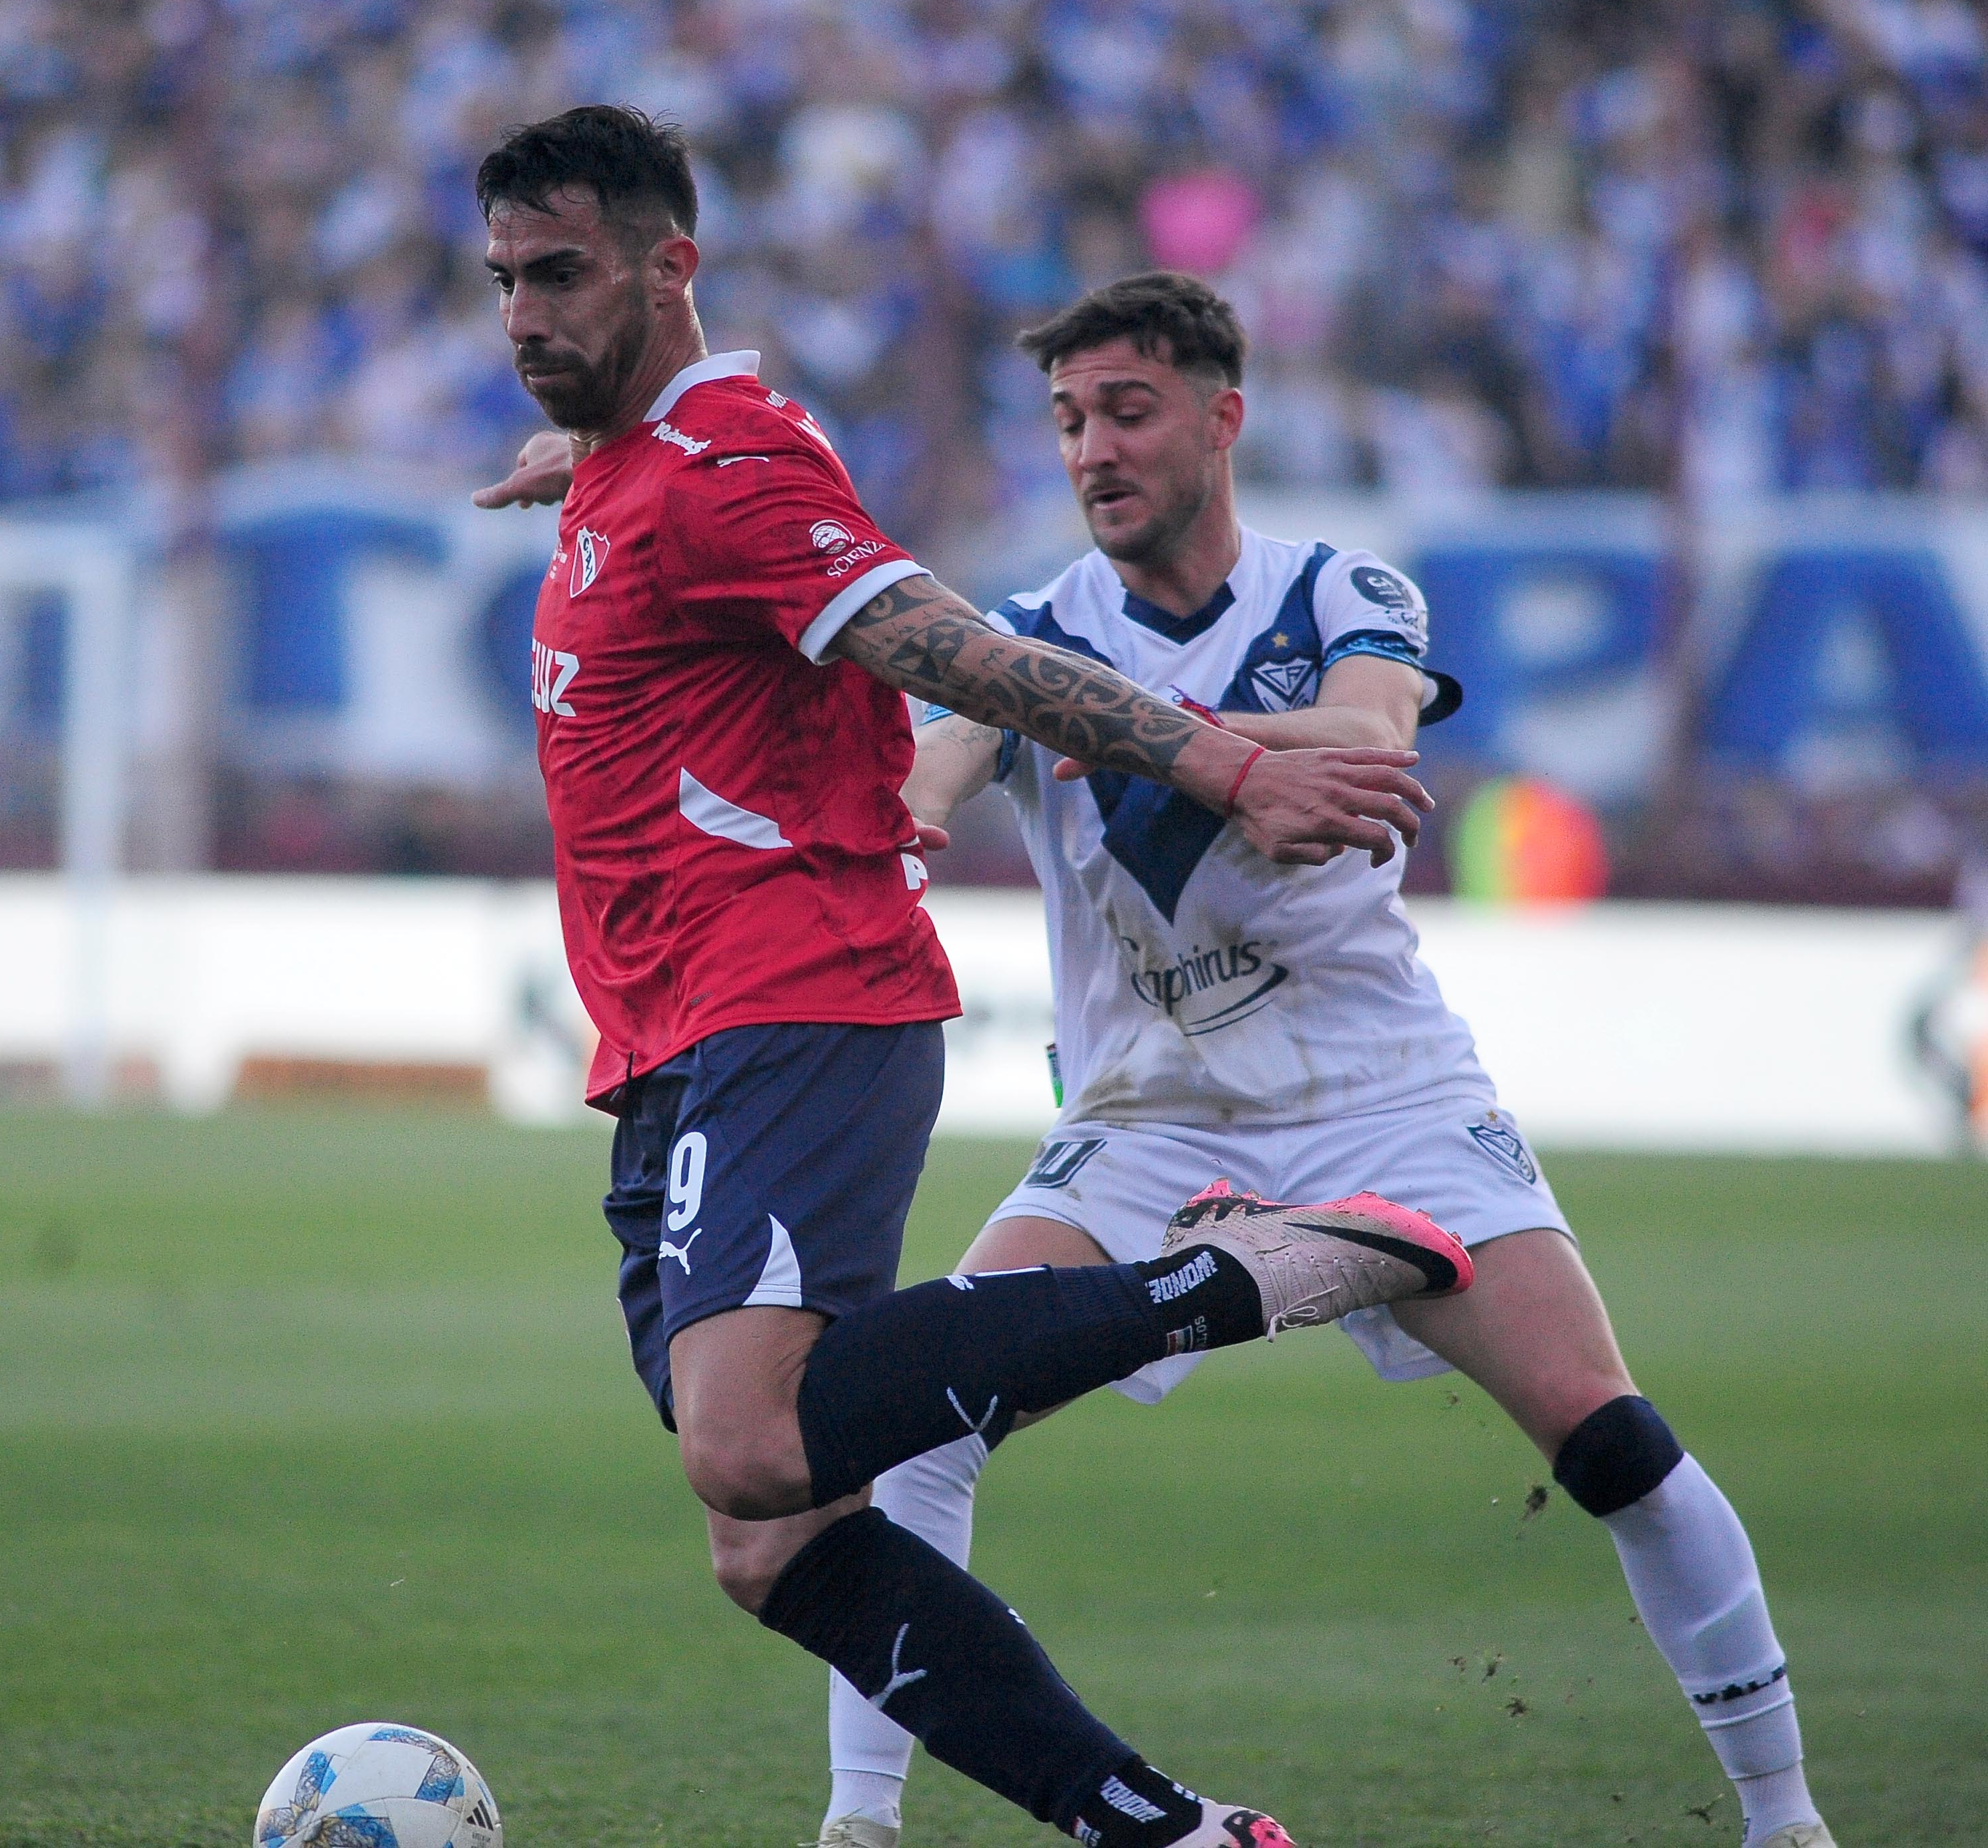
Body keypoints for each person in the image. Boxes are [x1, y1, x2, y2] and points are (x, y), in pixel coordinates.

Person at [469, 105, 1468, 1848]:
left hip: (792, 995)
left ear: (668, 266)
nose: (521, 317)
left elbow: (962, 650)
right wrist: (598, 467)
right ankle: (1158, 1825)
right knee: (771, 1534)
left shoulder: (724, 473)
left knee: (747, 1444)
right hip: (664, 1042)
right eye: (502, 283)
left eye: (559, 275)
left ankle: (1214, 1279)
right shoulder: (647, 460)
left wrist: (1228, 765)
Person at [804, 272, 1834, 1848]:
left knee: (1608, 1434)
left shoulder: (1344, 589)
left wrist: (1113, 723)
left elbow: (1371, 745)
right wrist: (910, 812)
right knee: (918, 1427)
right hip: (1146, 1119)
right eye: (1071, 419)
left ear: (1226, 417)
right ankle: (857, 1824)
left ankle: (1785, 1820)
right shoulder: (1023, 634)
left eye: (1130, 410)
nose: (1095, 448)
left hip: (1387, 1098)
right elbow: (929, 776)